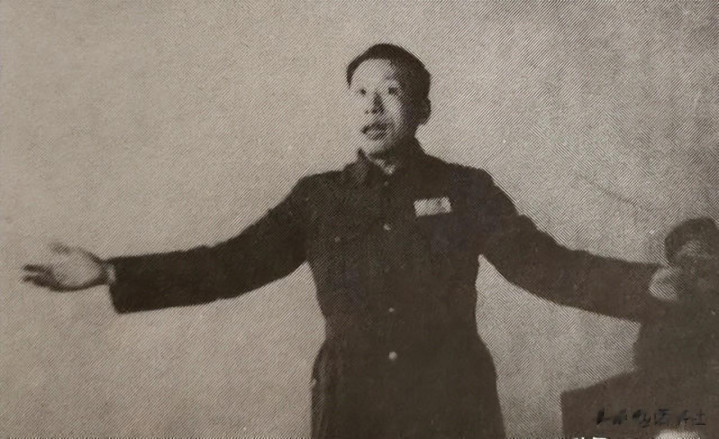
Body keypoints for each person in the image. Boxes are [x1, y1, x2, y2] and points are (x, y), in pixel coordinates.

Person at [22, 44, 695, 438]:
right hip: (353, 406)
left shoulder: (465, 188)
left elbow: (543, 265)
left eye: (391, 92)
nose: (372, 106)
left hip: (451, 401)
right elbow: (229, 265)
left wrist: (644, 284)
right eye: (360, 92)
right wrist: (113, 271)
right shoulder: (317, 199)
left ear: (421, 110)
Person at [562, 217, 719, 438]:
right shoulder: (666, 294)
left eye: (702, 264)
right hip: (665, 402)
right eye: (685, 264)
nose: (692, 272)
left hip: (695, 406)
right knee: (585, 409)